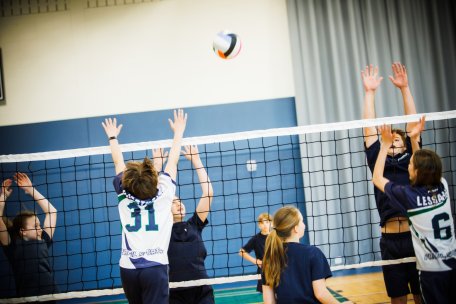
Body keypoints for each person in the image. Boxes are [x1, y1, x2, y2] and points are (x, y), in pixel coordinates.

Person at [101, 109, 187, 304]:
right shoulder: (165, 194)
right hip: (155, 268)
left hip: (128, 268)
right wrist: (178, 132)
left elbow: (117, 162)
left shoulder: (124, 194)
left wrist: (112, 137)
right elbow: (173, 160)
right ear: (154, 180)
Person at [372, 120, 456, 304]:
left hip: (430, 270)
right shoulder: (443, 186)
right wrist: (415, 139)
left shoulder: (409, 196)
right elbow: (422, 164)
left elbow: (377, 178)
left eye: (411, 164)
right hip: (451, 263)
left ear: (416, 170)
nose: (409, 164)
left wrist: (385, 144)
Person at [362, 62, 421, 303]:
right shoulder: (379, 157)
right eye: (391, 138)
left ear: (405, 144)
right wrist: (370, 93)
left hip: (415, 236)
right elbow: (368, 130)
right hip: (389, 240)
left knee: (421, 295)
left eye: (398, 139)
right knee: (398, 299)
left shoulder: (413, 158)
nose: (394, 140)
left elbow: (413, 126)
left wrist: (405, 89)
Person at [153, 145, 215, 304]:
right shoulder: (161, 229)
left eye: (180, 201)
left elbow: (208, 193)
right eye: (173, 202)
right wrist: (156, 167)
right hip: (175, 293)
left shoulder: (194, 224)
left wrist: (196, 160)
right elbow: (148, 200)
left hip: (201, 290)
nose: (179, 204)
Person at [262, 206, 352, 304]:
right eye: (302, 221)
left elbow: (269, 302)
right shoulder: (313, 253)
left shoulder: (269, 259)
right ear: (295, 228)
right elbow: (321, 294)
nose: (304, 225)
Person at [0, 173, 58, 299]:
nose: (40, 229)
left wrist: (30, 189)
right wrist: (3, 196)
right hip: (27, 299)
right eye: (35, 226)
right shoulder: (12, 246)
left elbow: (52, 212)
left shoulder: (43, 239)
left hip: (49, 298)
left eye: (39, 225)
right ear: (23, 231)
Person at [239, 212, 272, 293]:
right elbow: (241, 252)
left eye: (267, 222)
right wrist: (255, 261)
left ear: (271, 223)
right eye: (262, 222)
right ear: (259, 225)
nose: (265, 224)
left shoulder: (276, 237)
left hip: (276, 269)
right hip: (263, 271)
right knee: (267, 296)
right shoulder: (255, 239)